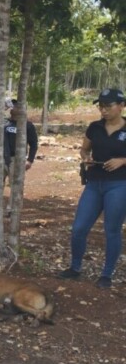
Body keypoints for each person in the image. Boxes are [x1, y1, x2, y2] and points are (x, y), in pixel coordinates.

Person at [57, 88, 126, 289]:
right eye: (100, 106)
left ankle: (106, 274)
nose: (103, 110)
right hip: (94, 184)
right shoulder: (95, 127)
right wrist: (86, 158)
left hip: (119, 185)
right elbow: (84, 149)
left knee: (111, 230)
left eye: (108, 106)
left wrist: (122, 161)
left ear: (121, 106)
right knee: (79, 228)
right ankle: (75, 268)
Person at [3, 98, 39, 184]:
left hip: (17, 159)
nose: (12, 107)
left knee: (15, 185)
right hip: (1, 158)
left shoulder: (28, 125)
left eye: (15, 106)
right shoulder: (4, 123)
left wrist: (30, 160)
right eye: (12, 105)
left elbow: (33, 144)